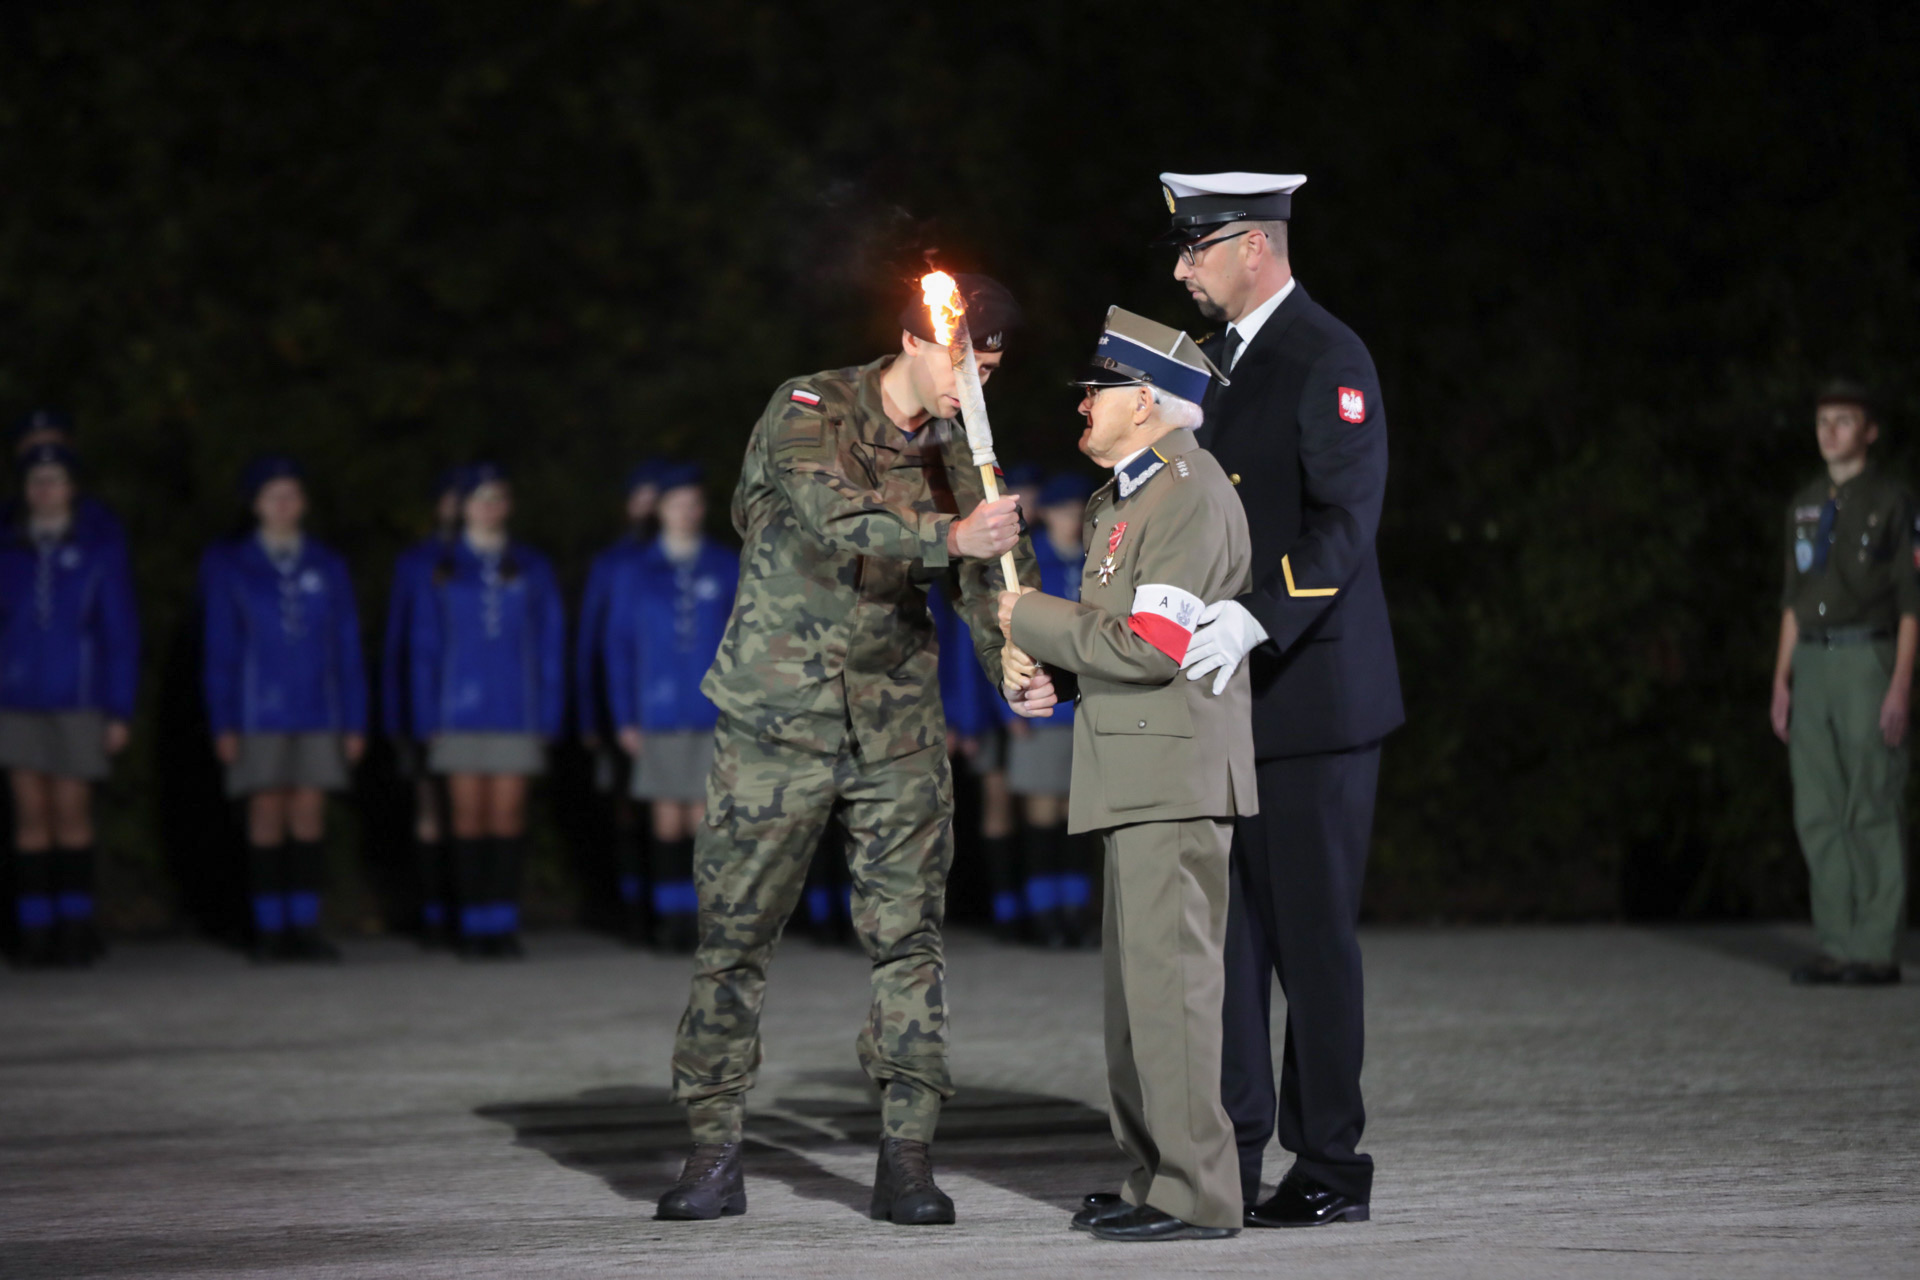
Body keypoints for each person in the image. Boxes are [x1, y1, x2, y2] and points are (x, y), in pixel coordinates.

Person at [655, 273, 1035, 1227]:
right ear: (914, 338)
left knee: (910, 938)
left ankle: (907, 1154)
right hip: (777, 719)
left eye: (988, 370)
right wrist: (952, 531)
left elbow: (989, 584)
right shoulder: (809, 407)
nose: (973, 385)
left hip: (896, 724)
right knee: (735, 935)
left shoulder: (962, 451)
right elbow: (832, 514)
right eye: (963, 362)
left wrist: (1018, 665)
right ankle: (712, 1147)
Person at [1154, 172, 1402, 1227]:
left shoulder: (1325, 353)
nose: (1180, 268)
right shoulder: (1212, 366)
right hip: (1229, 695)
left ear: (1253, 243)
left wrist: (1262, 613)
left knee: (1310, 942)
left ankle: (1332, 1162)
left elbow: (1345, 518)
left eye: (1195, 248)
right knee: (1235, 941)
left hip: (1311, 694)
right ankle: (1233, 1149)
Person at [1000, 306, 1252, 1242]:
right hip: (1137, 771)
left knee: (1173, 995)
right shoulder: (1130, 494)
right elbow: (1124, 648)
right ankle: (1153, 1180)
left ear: (1144, 402)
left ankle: (1198, 1195)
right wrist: (1059, 678)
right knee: (1135, 1002)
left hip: (1173, 778)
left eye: (1098, 391)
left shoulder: (1184, 491)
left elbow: (1152, 647)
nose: (1085, 405)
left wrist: (1029, 616)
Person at [1771, 380, 1913, 986]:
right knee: (1818, 807)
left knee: (1871, 802)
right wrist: (1781, 680)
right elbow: (1793, 601)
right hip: (1812, 662)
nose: (1831, 431)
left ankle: (1875, 948)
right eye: (1824, 419)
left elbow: (1913, 602)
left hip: (1865, 659)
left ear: (1869, 431)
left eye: (1845, 420)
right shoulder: (1804, 504)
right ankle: (1837, 942)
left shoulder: (1892, 500)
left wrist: (1901, 685)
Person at [200, 457, 366, 963]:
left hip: (318, 708)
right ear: (254, 505)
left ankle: (305, 924)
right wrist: (223, 719)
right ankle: (269, 929)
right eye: (272, 496)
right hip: (258, 711)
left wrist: (355, 719)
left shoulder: (327, 564)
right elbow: (221, 648)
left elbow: (347, 646)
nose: (283, 505)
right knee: (266, 809)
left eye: (292, 494)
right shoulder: (232, 564)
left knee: (309, 811)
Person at [410, 463, 565, 959]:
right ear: (462, 507)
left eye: (498, 497)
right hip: (457, 712)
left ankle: (501, 921)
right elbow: (423, 647)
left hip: (516, 710)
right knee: (466, 818)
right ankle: (472, 924)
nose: (489, 507)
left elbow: (550, 645)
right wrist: (425, 716)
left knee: (507, 816)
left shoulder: (532, 566)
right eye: (479, 498)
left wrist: (549, 713)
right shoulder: (441, 565)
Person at [0, 444, 137, 967]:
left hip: (77, 699)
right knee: (30, 814)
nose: (45, 491)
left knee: (71, 812)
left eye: (55, 480)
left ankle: (75, 924)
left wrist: (118, 709)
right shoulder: (8, 551)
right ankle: (35, 929)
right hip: (15, 700)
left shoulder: (97, 552)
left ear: (72, 489)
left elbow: (119, 634)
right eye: (35, 481)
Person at [606, 462, 739, 952]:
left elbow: (745, 639)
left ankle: (706, 920)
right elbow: (619, 647)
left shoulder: (724, 566)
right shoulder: (635, 571)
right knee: (665, 817)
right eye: (677, 504)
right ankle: (669, 919)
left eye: (695, 503)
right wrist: (625, 716)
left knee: (707, 818)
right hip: (657, 711)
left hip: (711, 710)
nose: (688, 512)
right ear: (659, 510)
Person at [1004, 470, 1096, 947]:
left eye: (1079, 510)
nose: (1073, 519)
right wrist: (1008, 706)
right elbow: (1000, 634)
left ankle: (1076, 912)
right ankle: (1042, 916)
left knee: (1077, 814)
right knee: (1041, 814)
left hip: (1087, 710)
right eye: (1064, 510)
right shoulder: (1028, 559)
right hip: (1041, 709)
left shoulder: (1095, 558)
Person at [577, 458, 665, 941]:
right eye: (641, 498)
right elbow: (595, 642)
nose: (649, 508)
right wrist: (592, 714)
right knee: (626, 807)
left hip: (665, 709)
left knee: (666, 805)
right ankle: (631, 905)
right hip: (622, 707)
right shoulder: (612, 563)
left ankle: (663, 906)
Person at [383, 467, 463, 943]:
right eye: (452, 499)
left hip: (471, 712)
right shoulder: (417, 562)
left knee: (468, 809)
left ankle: (467, 906)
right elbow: (401, 640)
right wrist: (399, 712)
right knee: (431, 806)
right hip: (425, 708)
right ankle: (434, 910)